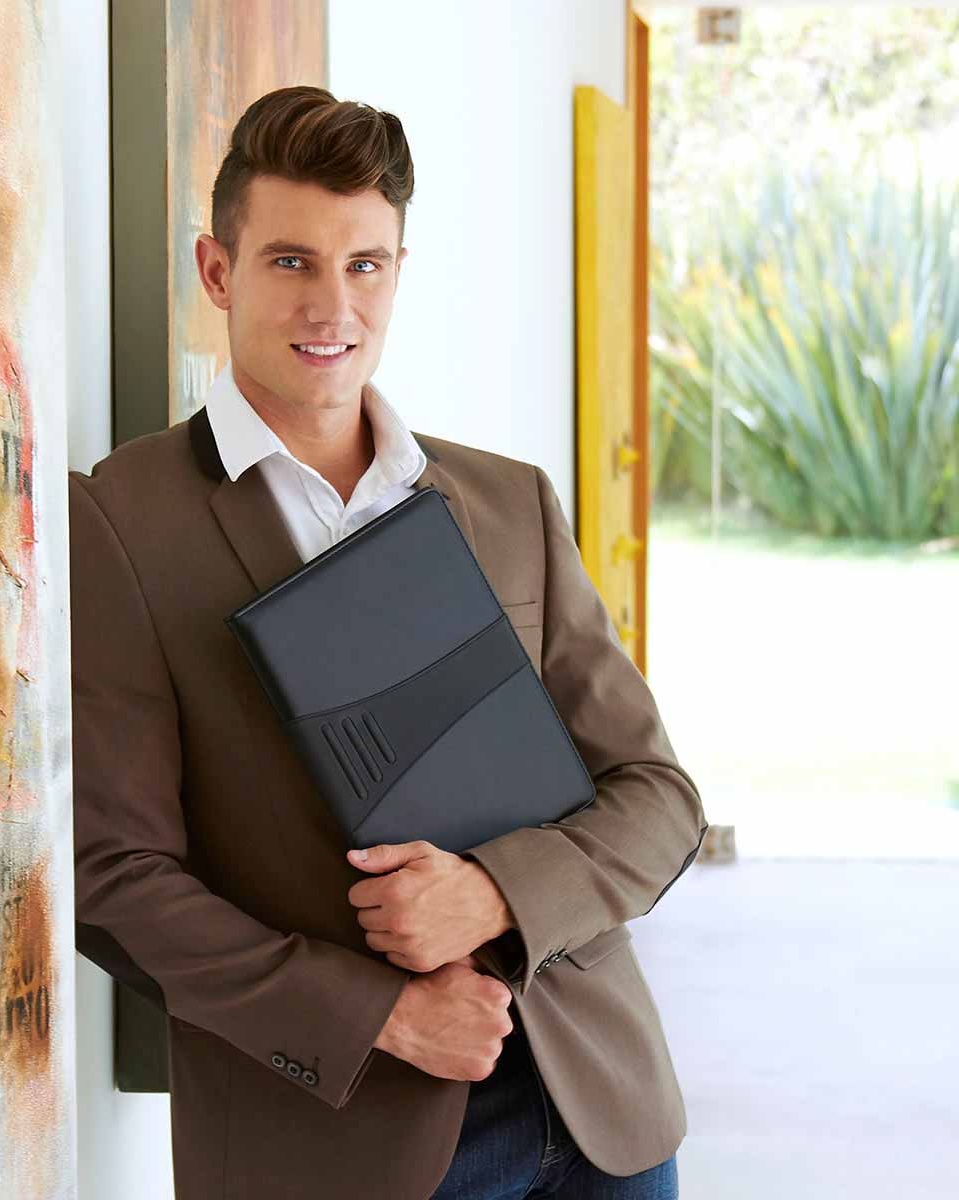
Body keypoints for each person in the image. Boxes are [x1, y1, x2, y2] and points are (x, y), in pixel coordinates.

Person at [69, 85, 707, 1200]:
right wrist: (384, 1015)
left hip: (600, 1113)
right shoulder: (123, 520)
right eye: (291, 262)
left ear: (399, 271)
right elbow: (113, 877)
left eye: (365, 264)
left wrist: (497, 895)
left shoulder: (510, 501)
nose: (333, 305)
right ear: (216, 271)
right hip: (339, 1143)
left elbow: (657, 798)